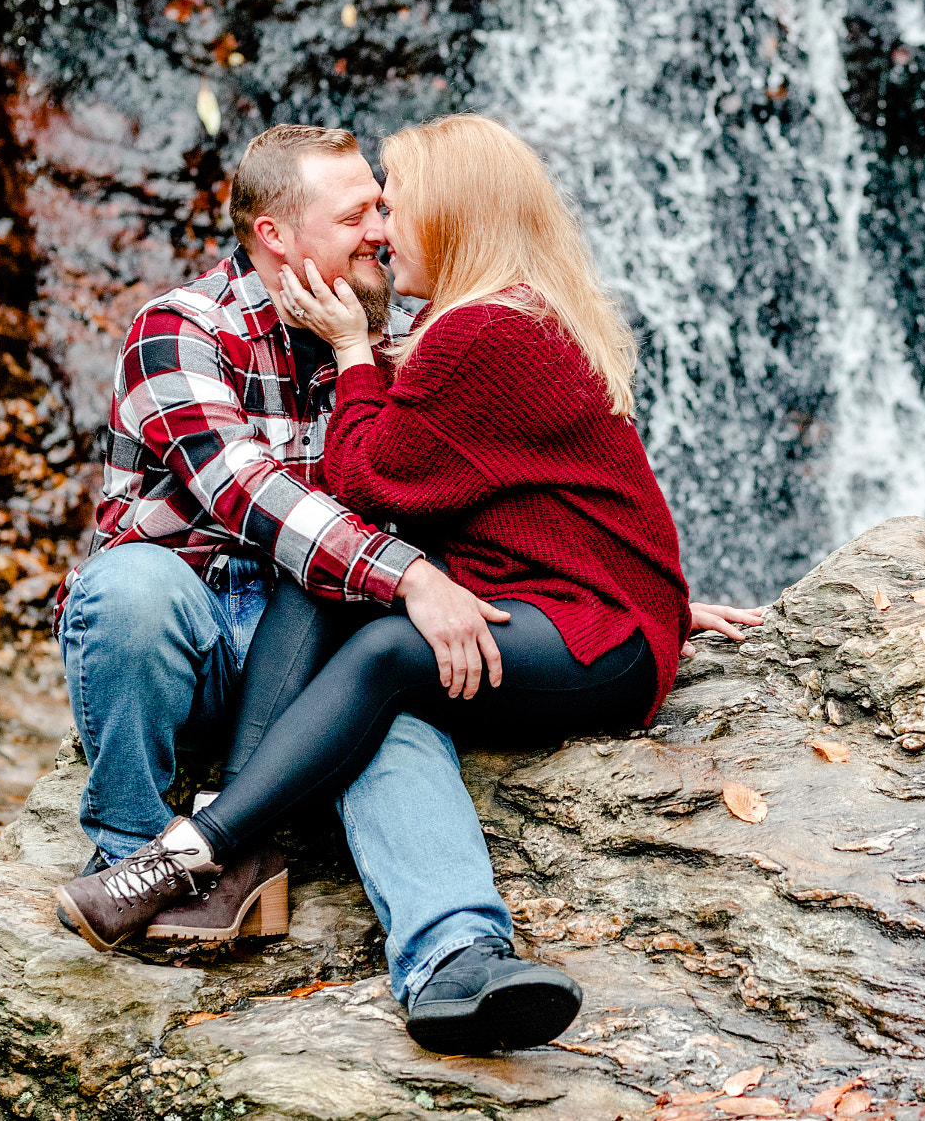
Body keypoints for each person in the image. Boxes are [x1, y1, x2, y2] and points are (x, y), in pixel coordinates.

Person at [54, 114, 760, 1056]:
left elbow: (510, 487)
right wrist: (417, 575)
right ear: (277, 234)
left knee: (390, 689)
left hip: (307, 662)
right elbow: (262, 498)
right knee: (137, 588)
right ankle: (141, 851)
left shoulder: (403, 333)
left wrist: (636, 594)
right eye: (359, 213)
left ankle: (452, 957)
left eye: (389, 207)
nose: (383, 229)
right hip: (194, 640)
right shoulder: (181, 331)